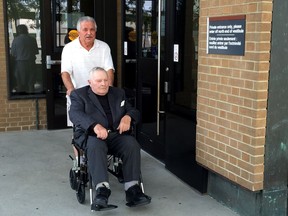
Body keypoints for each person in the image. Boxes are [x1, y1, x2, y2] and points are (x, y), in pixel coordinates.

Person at [69, 67, 151, 210]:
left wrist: (128, 117)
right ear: (90, 82)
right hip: (92, 136)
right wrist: (94, 126)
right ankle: (102, 191)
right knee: (96, 146)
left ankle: (132, 190)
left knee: (131, 144)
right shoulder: (79, 95)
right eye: (99, 80)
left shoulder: (118, 93)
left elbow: (133, 110)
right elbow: (75, 114)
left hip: (115, 135)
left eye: (106, 80)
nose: (103, 83)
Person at [61, 16, 115, 163]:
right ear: (78, 31)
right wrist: (72, 91)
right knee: (79, 128)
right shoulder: (69, 49)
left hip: (100, 96)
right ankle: (80, 161)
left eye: (92, 29)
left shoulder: (103, 47)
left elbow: (109, 70)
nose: (88, 33)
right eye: (85, 29)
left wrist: (108, 91)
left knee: (102, 126)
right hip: (79, 97)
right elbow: (65, 73)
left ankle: (100, 155)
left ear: (95, 31)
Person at [11, 24, 38, 93]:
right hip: (31, 62)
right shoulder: (32, 39)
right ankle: (32, 98)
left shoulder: (16, 40)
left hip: (20, 63)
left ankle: (21, 98)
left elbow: (13, 53)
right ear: (26, 30)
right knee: (31, 82)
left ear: (18, 31)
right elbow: (36, 51)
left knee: (20, 82)